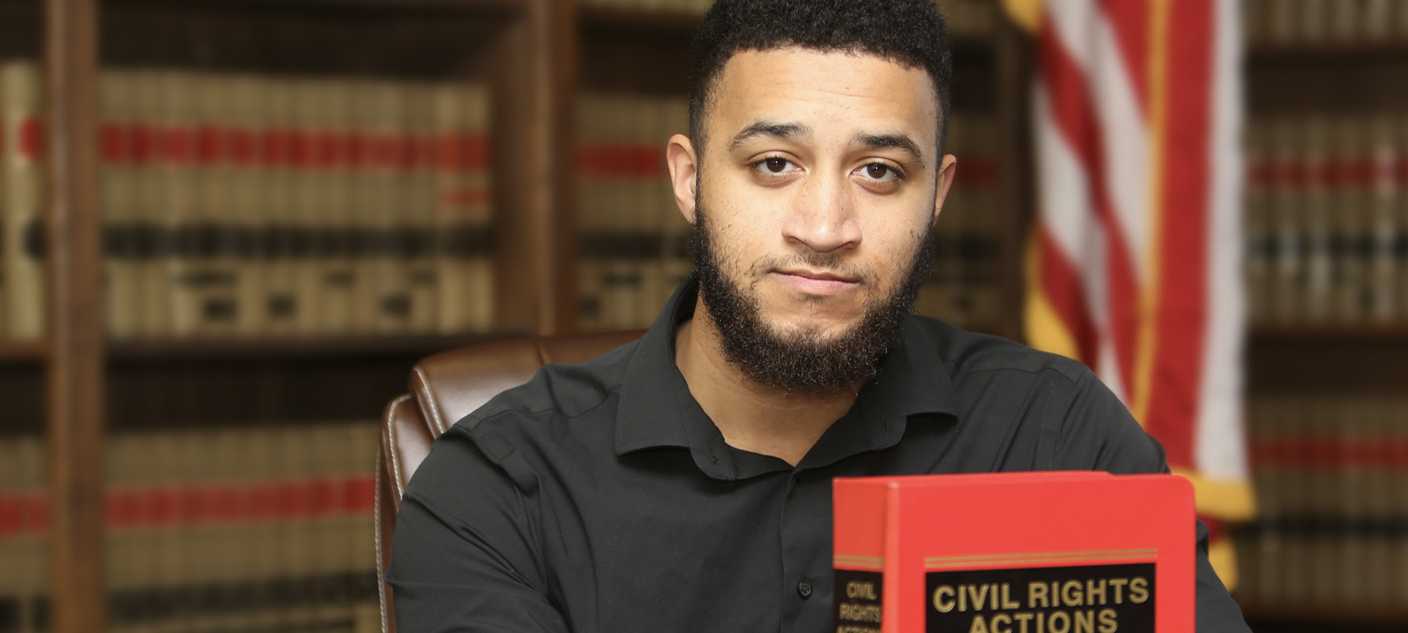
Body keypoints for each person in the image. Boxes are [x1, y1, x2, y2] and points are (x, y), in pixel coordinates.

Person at [387, 1, 1250, 631]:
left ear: (938, 195)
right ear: (689, 180)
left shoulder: (1062, 439)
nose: (826, 228)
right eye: (773, 163)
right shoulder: (499, 488)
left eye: (879, 171)